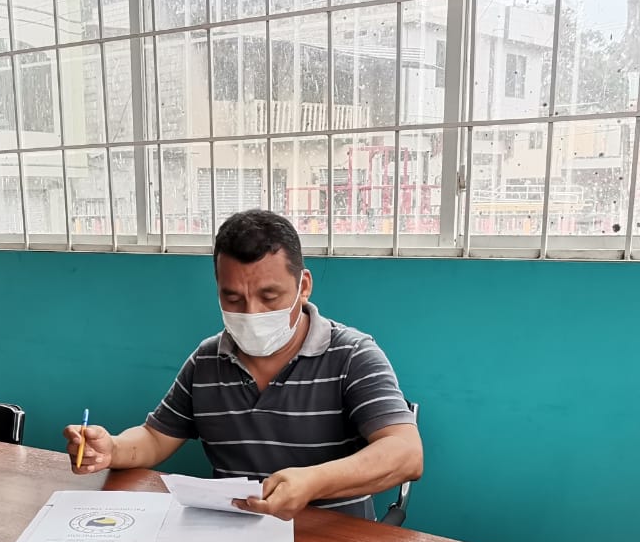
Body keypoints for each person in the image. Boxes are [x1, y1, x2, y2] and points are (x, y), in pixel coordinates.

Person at [63, 209, 423, 521]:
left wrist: (314, 482)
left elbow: (406, 453)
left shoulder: (351, 354)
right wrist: (112, 449)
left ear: (303, 286)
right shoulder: (207, 360)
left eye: (270, 296)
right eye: (233, 298)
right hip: (232, 538)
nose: (252, 313)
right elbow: (156, 437)